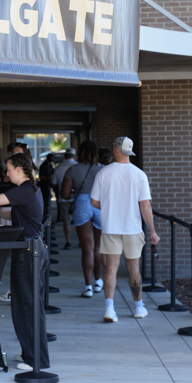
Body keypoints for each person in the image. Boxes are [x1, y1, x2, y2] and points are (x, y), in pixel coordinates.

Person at [0, 152, 48, 371]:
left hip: (28, 252)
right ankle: (31, 353)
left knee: (25, 305)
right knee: (30, 305)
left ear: (19, 170)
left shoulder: (22, 190)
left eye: (8, 169)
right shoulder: (31, 190)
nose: (6, 173)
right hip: (34, 249)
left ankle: (35, 359)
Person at [90, 137, 160, 322]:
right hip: (132, 228)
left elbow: (94, 202)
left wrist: (110, 207)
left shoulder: (103, 173)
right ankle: (138, 307)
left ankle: (109, 309)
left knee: (110, 269)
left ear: (117, 150)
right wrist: (152, 231)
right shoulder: (139, 174)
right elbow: (145, 206)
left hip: (111, 227)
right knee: (133, 269)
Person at [61, 141, 104, 297]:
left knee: (87, 248)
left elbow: (64, 194)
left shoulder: (73, 170)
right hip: (100, 205)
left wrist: (75, 193)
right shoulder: (103, 169)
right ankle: (98, 282)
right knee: (98, 248)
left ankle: (88, 287)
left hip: (82, 205)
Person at [51, 148, 77, 249]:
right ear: (74, 156)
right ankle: (81, 240)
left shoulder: (59, 167)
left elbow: (54, 183)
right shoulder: (78, 166)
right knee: (79, 220)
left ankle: (68, 242)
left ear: (65, 156)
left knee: (66, 220)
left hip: (63, 197)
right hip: (77, 197)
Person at [38, 153, 55, 219]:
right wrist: (48, 178)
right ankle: (45, 215)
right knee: (45, 201)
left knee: (48, 200)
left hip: (49, 184)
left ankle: (47, 214)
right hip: (44, 185)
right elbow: (40, 176)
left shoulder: (50, 165)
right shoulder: (43, 166)